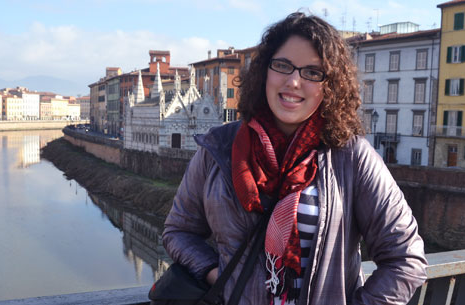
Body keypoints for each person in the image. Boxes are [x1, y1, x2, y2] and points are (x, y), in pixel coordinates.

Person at [162, 12, 427, 305]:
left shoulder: (352, 158)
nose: (294, 82)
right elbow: (179, 231)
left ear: (330, 86)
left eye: (312, 72)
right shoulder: (219, 148)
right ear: (265, 70)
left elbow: (406, 259)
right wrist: (216, 274)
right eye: (283, 66)